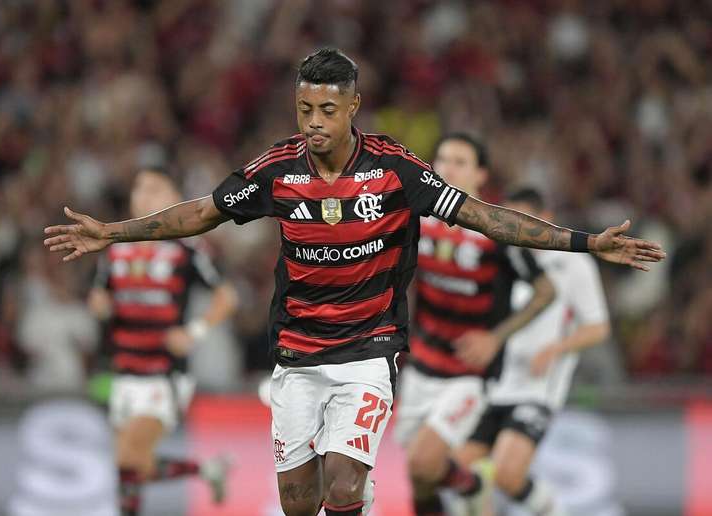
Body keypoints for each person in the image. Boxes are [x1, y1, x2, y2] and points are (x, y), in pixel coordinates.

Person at [43, 48, 664, 516]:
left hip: (371, 350)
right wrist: (114, 233)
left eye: (327, 111)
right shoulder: (276, 171)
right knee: (297, 499)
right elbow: (201, 212)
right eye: (305, 109)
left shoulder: (397, 171)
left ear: (353, 108)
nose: (314, 122)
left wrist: (585, 242)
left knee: (344, 480)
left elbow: (486, 217)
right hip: (296, 352)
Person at [395, 133, 556, 516]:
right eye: (442, 160)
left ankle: (471, 484)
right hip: (421, 367)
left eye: (460, 162)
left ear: (480, 175)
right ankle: (468, 485)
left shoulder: (493, 229)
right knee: (420, 478)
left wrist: (496, 337)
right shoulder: (416, 217)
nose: (448, 168)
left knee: (422, 463)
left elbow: (546, 291)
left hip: (469, 373)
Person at [451, 187, 612, 516]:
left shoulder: (571, 264)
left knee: (507, 473)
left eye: (528, 219)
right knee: (460, 472)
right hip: (494, 383)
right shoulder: (500, 260)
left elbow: (598, 327)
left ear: (547, 220)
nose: (519, 228)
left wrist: (556, 349)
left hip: (537, 388)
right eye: (513, 220)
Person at [88, 167, 238, 516]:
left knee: (128, 459)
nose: (144, 195)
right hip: (123, 369)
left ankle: (206, 471)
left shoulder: (186, 247)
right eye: (139, 188)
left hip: (163, 371)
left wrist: (194, 331)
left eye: (155, 188)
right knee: (132, 467)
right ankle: (208, 470)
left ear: (174, 198)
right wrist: (99, 305)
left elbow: (227, 296)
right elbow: (99, 297)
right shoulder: (113, 248)